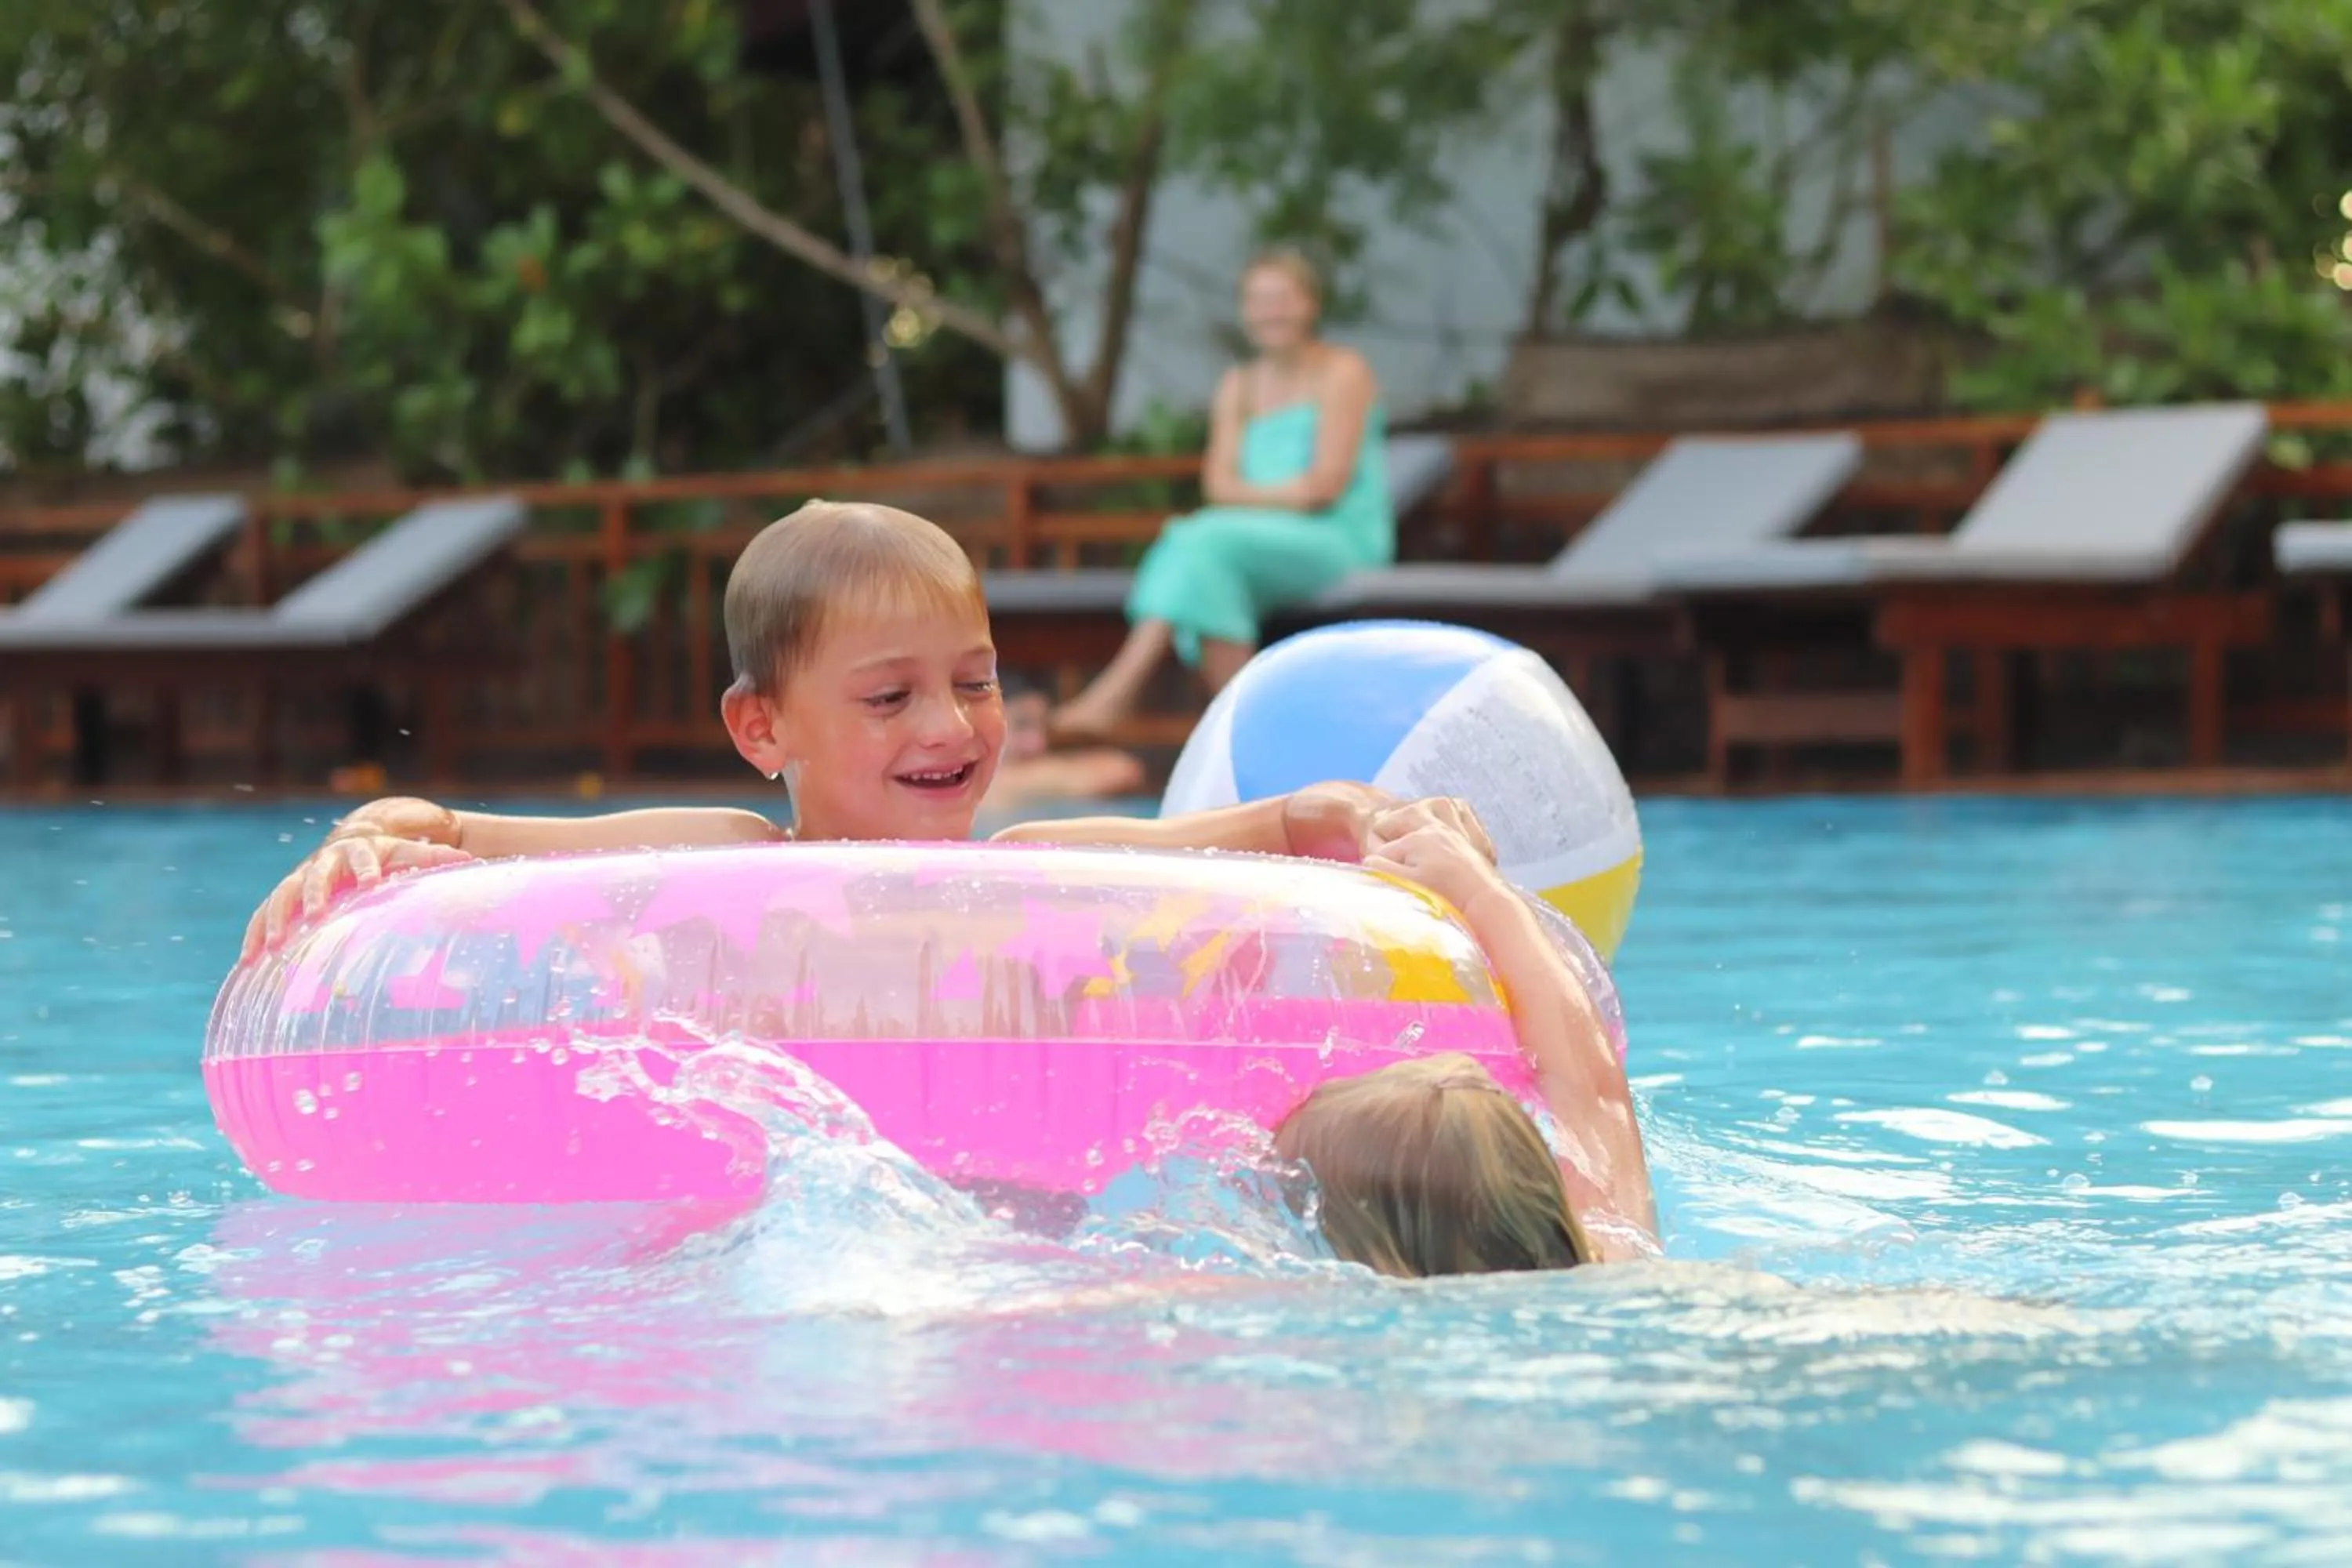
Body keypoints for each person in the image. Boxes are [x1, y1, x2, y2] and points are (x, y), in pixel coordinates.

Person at [240, 499, 1480, 956]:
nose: (952, 726)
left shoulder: (1030, 866)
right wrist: (385, 829)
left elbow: (1251, 833)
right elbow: (474, 837)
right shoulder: (732, 858)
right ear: (760, 728)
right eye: (890, 698)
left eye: (977, 683)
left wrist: (1350, 812)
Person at [1050, 249, 1393, 739]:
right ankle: (1249, 731)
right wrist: (1282, 495)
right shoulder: (1238, 385)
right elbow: (1218, 486)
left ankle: (1127, 697)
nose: (1271, 312)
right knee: (1207, 557)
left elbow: (1323, 488)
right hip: (1249, 541)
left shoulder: (1344, 372)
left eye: (1282, 299)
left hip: (1336, 540)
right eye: (1258, 301)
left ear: (1310, 304)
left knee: (1201, 539)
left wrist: (1251, 496)